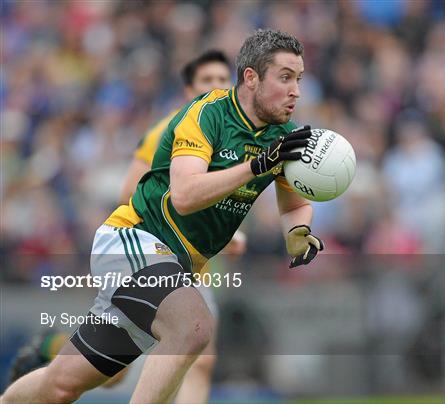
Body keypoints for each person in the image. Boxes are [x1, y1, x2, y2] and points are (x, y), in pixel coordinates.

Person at [1, 29, 324, 404]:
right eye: (285, 77)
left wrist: (298, 232)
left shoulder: (284, 137)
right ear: (251, 77)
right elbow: (185, 196)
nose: (296, 90)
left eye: (298, 79)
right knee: (195, 326)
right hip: (134, 240)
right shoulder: (208, 114)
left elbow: (295, 203)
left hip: (172, 266)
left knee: (62, 385)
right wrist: (257, 166)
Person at [7, 49, 245, 404]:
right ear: (188, 90)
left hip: (195, 268)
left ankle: (54, 347)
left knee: (154, 367)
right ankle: (55, 346)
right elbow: (130, 193)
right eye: (206, 81)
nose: (216, 86)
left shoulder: (240, 137)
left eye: (222, 80)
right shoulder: (174, 127)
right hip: (150, 256)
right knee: (185, 345)